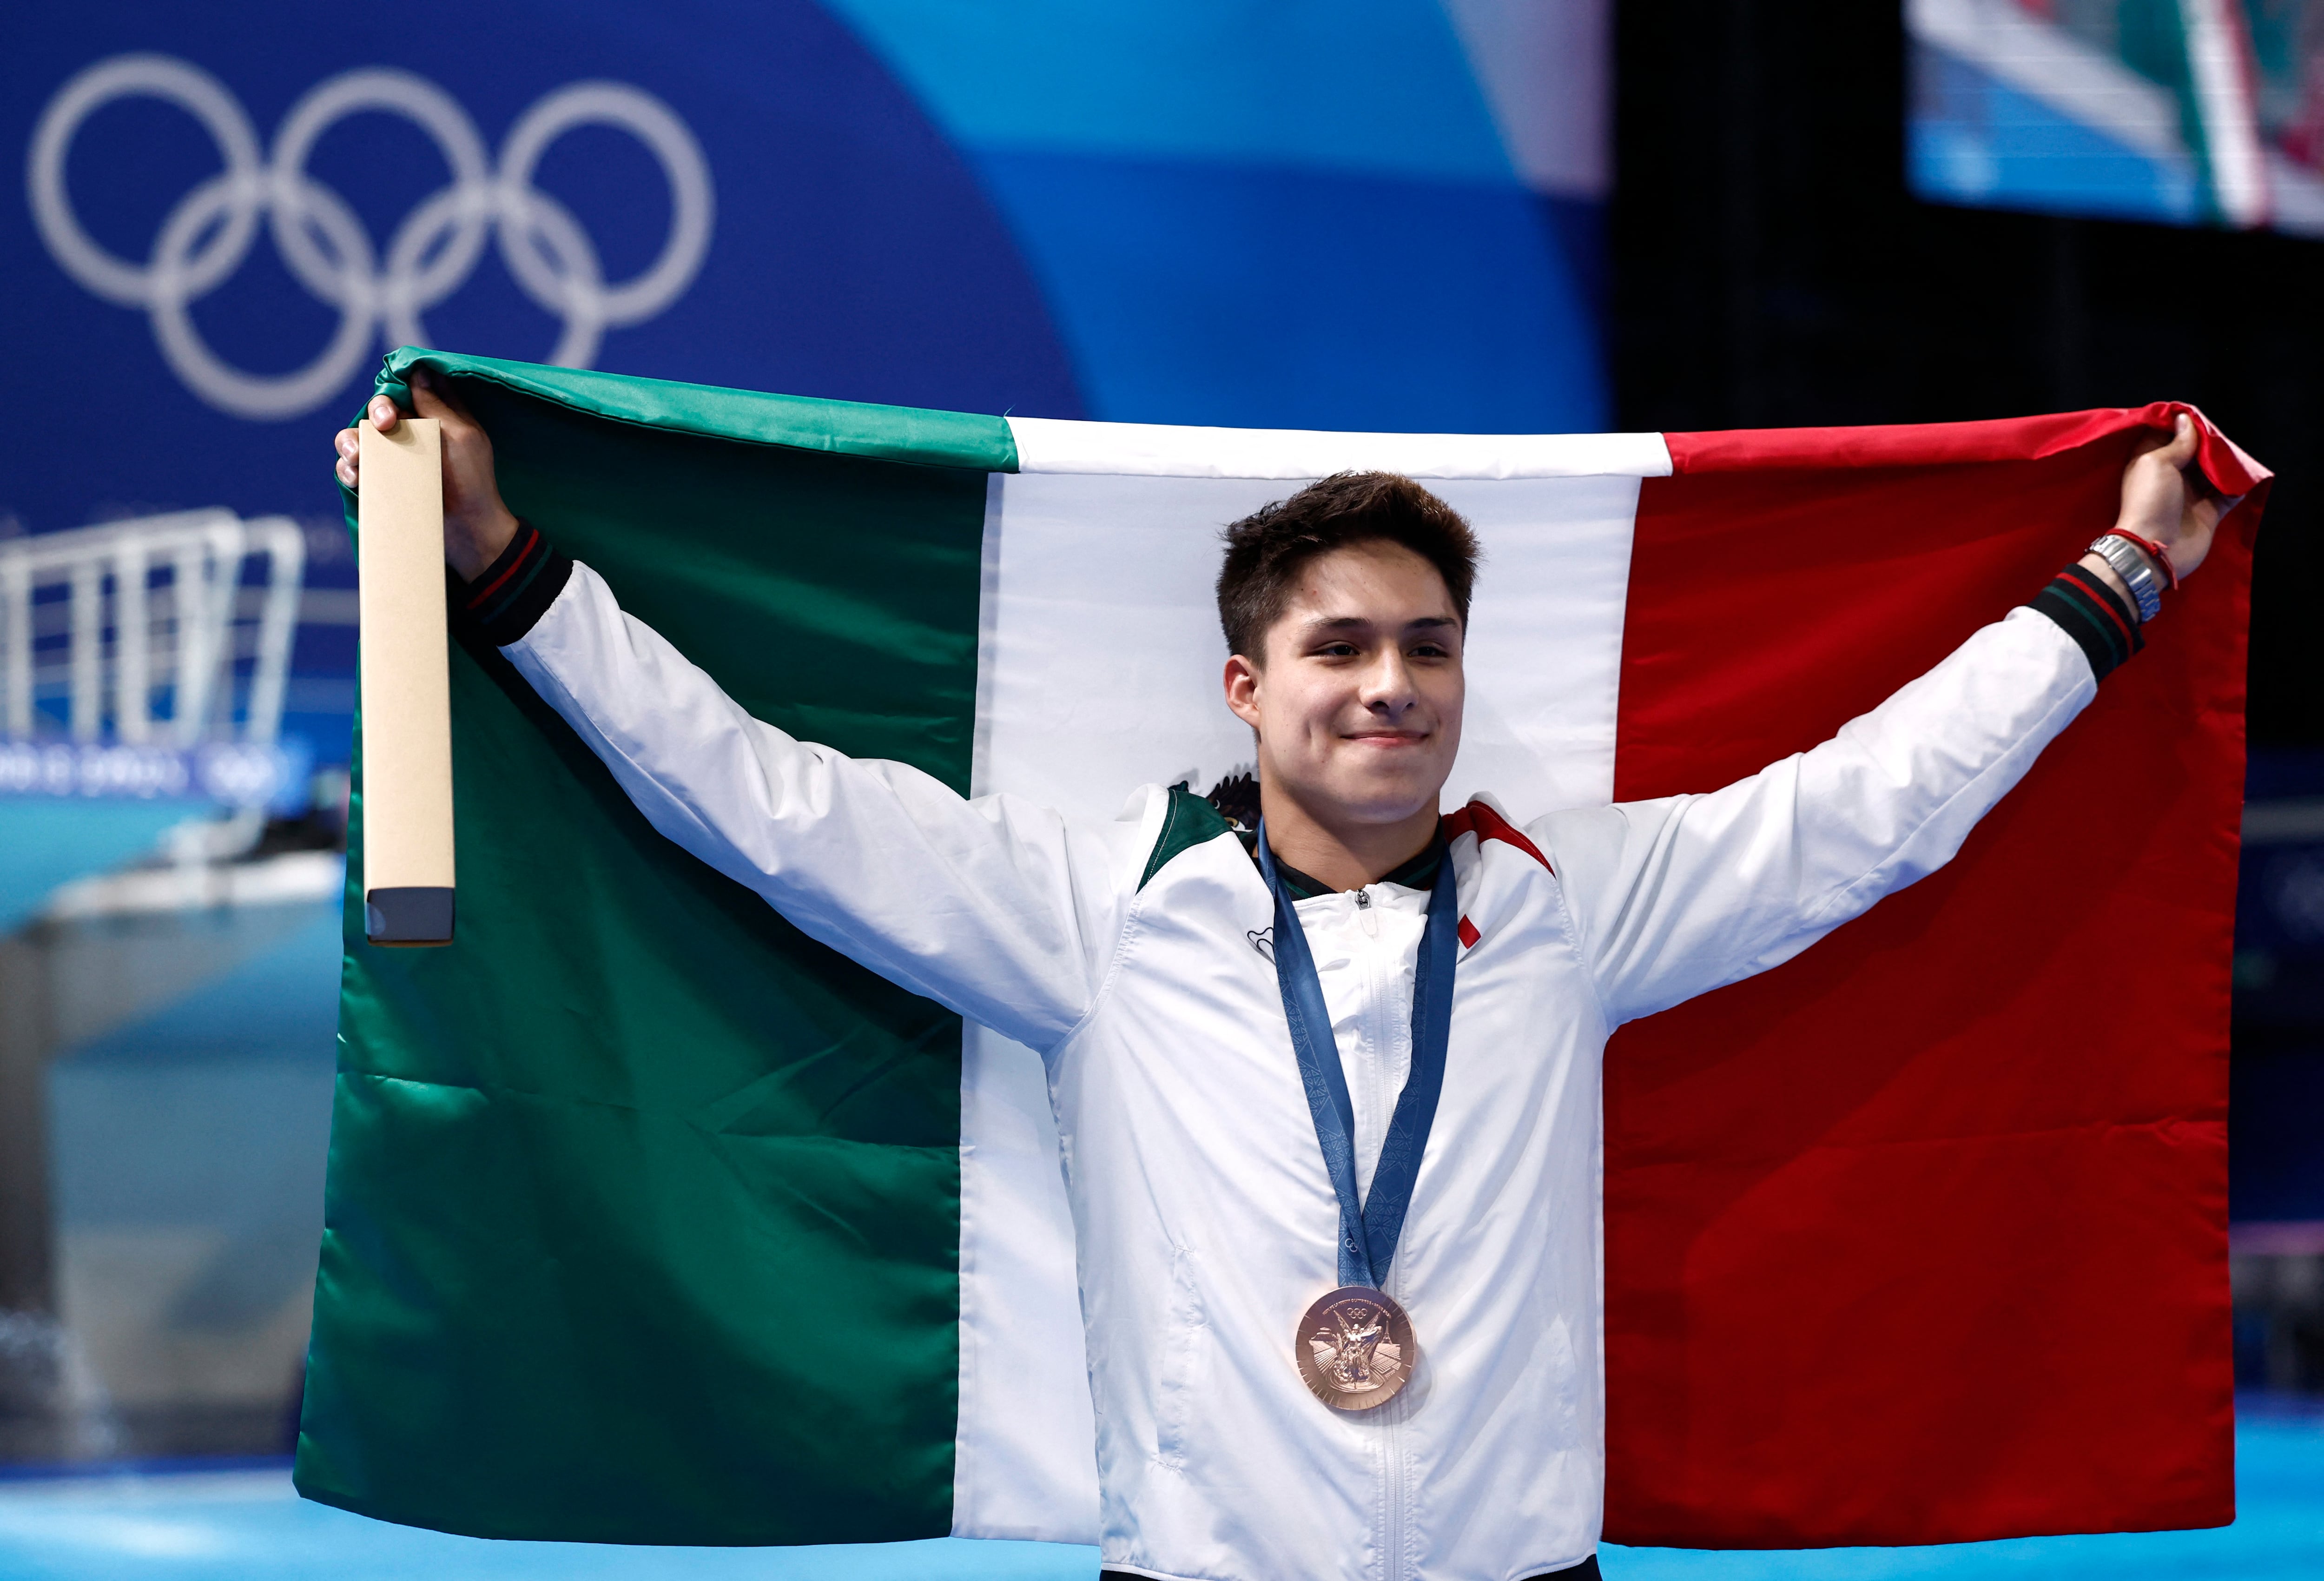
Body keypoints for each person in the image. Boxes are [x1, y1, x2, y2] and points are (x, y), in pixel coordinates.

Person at [335, 373, 2222, 1581]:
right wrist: (504, 564)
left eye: (1423, 643)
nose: (1385, 681)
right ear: (1248, 687)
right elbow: (762, 802)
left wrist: (2121, 575)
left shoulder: (1576, 905)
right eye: (1336, 645)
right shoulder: (1093, 908)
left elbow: (1874, 803)